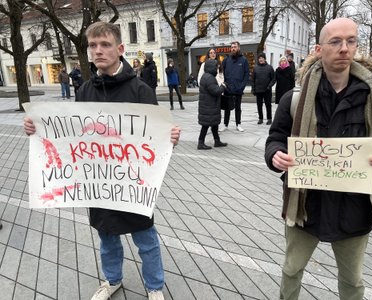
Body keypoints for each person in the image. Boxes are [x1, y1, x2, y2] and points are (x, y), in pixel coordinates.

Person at [24, 21, 181, 300]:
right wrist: (38, 128)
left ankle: (155, 287)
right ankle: (112, 280)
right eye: (93, 45)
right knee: (107, 238)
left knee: (146, 239)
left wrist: (169, 136)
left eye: (105, 44)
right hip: (98, 182)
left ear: (120, 49)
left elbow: (153, 139)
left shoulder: (140, 90)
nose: (98, 51)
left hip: (131, 184)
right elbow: (71, 134)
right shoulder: (85, 90)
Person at [265, 18, 372, 300]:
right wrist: (275, 154)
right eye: (335, 42)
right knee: (291, 270)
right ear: (318, 49)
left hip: (355, 208)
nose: (344, 48)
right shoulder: (295, 98)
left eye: (351, 41)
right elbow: (276, 137)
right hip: (305, 205)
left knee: (352, 282)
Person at [197, 59, 227, 150]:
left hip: (208, 105)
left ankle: (217, 141)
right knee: (205, 125)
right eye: (216, 67)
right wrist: (223, 86)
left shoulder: (205, 76)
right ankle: (200, 143)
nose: (217, 69)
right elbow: (216, 91)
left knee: (214, 125)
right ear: (211, 67)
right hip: (209, 106)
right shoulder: (209, 78)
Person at [220, 41, 249, 132]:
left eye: (235, 47)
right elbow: (221, 72)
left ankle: (238, 124)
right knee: (227, 108)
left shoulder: (244, 60)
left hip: (238, 89)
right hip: (228, 88)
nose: (233, 48)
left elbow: (246, 74)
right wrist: (223, 84)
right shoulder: (226, 60)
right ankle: (225, 124)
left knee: (238, 108)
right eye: (232, 47)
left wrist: (242, 86)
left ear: (238, 48)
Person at [251, 52, 275, 125]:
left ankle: (269, 119)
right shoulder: (255, 68)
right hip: (258, 90)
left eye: (262, 58)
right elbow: (253, 80)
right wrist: (253, 89)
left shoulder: (269, 67)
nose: (261, 59)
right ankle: (260, 118)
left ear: (265, 59)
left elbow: (273, 79)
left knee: (268, 105)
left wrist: (269, 86)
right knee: (259, 105)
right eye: (259, 58)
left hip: (267, 90)